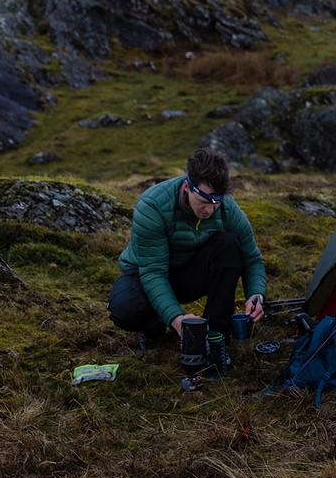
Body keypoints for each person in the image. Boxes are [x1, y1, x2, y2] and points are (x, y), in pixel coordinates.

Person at [108, 148, 267, 352]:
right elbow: (154, 273)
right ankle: (154, 325)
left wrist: (256, 295)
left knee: (228, 244)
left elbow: (252, 258)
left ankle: (216, 336)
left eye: (216, 203)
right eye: (203, 201)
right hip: (146, 274)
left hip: (188, 274)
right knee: (125, 307)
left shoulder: (227, 208)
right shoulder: (153, 206)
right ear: (187, 187)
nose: (209, 210)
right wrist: (176, 318)